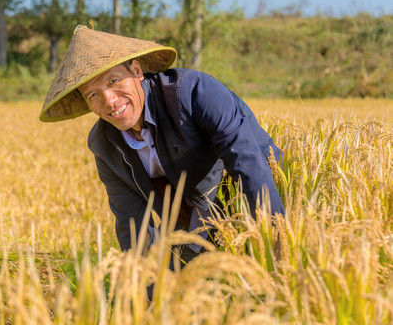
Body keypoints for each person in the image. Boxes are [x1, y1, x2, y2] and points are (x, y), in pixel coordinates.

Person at [40, 25, 285, 267]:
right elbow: (131, 224)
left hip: (252, 195)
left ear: (136, 70)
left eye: (114, 81)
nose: (109, 101)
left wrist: (278, 248)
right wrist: (146, 291)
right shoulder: (104, 146)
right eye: (92, 94)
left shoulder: (194, 94)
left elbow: (248, 166)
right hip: (188, 220)